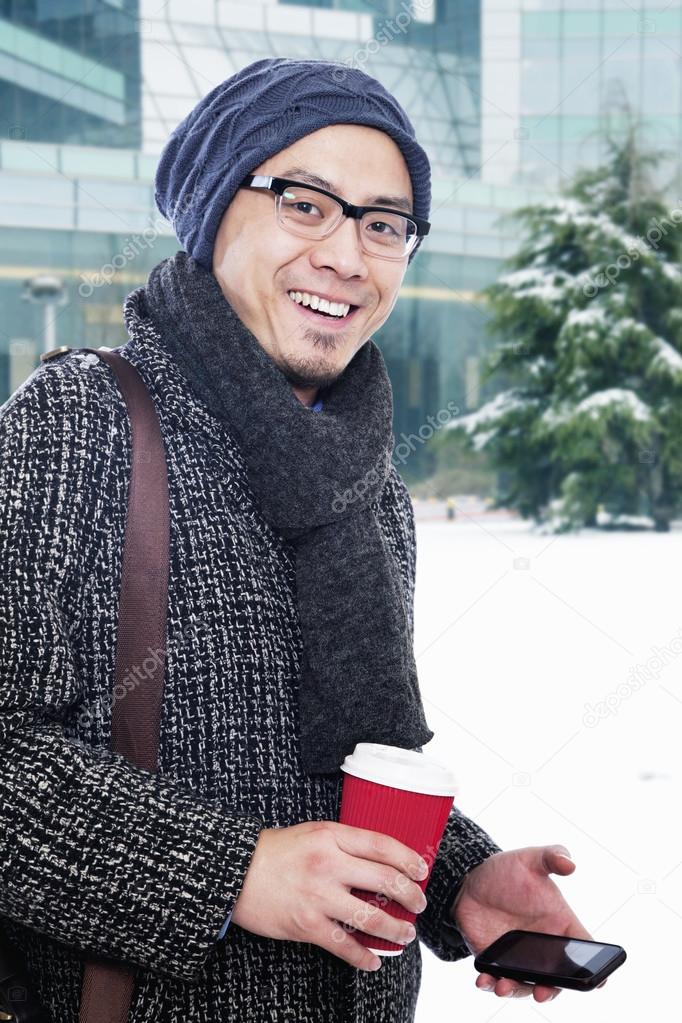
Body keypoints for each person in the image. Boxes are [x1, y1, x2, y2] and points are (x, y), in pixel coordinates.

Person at [0, 58, 597, 1022]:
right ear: (210, 214)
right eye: (306, 204)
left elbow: (340, 767)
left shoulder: (371, 486)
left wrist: (461, 879)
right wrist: (233, 872)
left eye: (383, 223)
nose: (348, 257)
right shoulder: (81, 423)